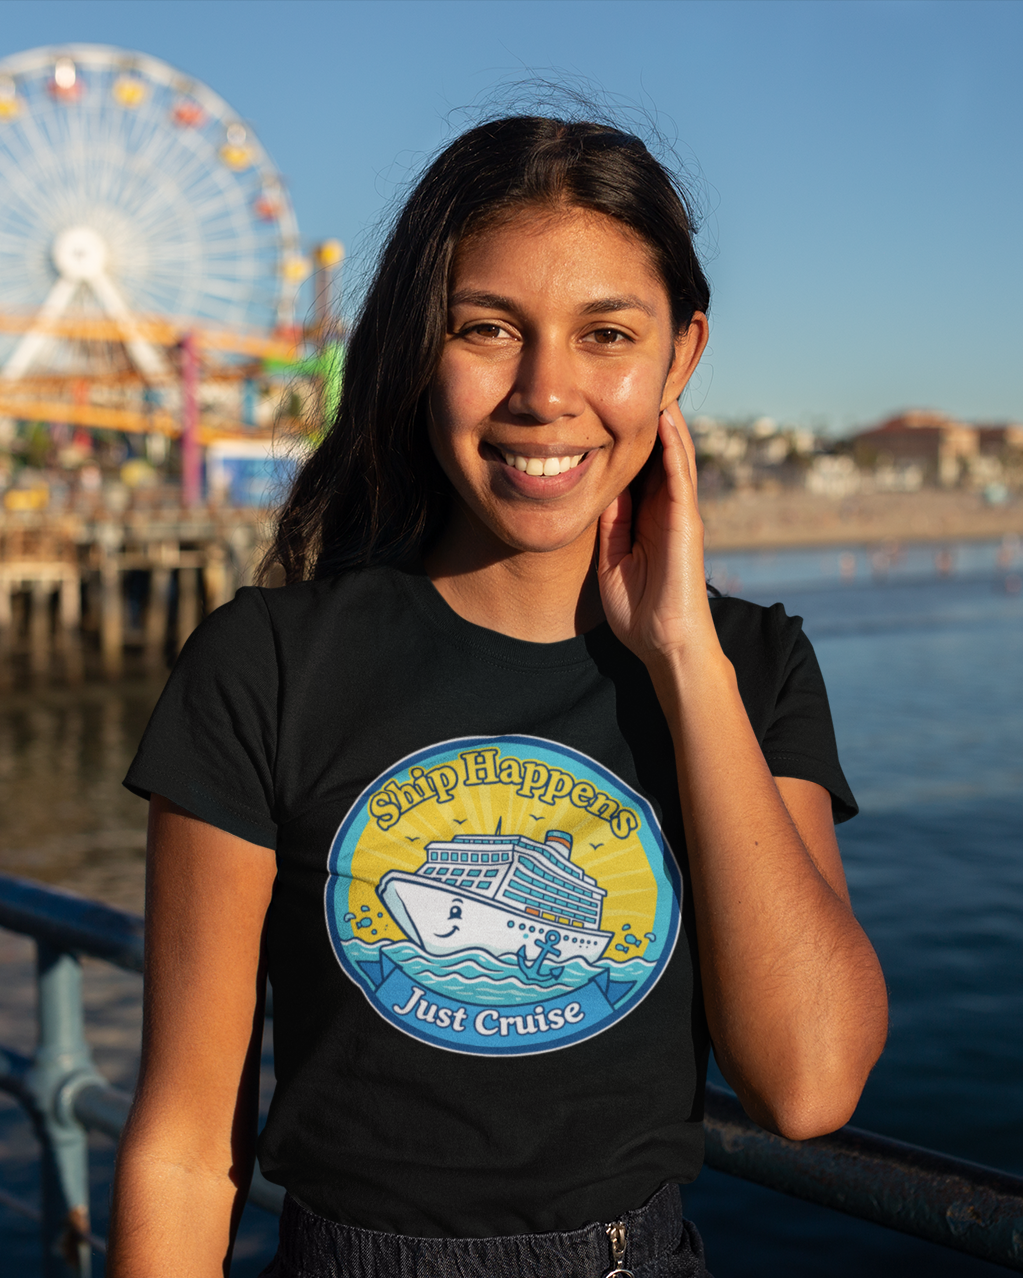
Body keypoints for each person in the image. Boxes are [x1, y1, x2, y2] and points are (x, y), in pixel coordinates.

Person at [109, 116, 888, 1278]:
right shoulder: (267, 665)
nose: (545, 392)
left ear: (681, 357)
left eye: (606, 334)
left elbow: (809, 1081)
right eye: (488, 329)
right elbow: (182, 1144)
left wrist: (682, 656)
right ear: (421, 344)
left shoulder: (749, 666)